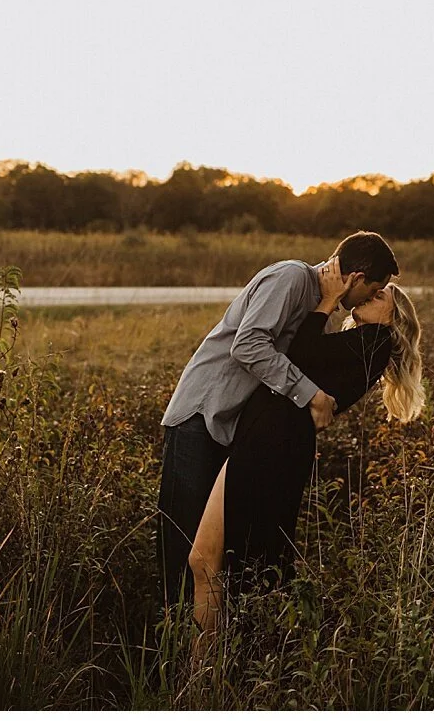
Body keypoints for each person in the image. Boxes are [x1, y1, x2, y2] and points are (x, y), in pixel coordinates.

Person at [157, 231, 400, 608]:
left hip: (232, 429)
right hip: (202, 417)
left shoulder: (321, 310)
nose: (371, 298)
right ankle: (169, 650)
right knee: (184, 547)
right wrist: (313, 395)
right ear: (357, 277)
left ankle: (213, 651)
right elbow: (248, 346)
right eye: (374, 288)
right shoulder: (290, 278)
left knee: (215, 550)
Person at [186, 261, 424, 639]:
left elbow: (299, 351)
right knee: (214, 560)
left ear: (394, 318)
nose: (371, 296)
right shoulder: (358, 344)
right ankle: (210, 669)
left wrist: (327, 300)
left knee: (220, 561)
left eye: (382, 296)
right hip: (263, 441)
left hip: (270, 446)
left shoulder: (375, 343)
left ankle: (219, 668)